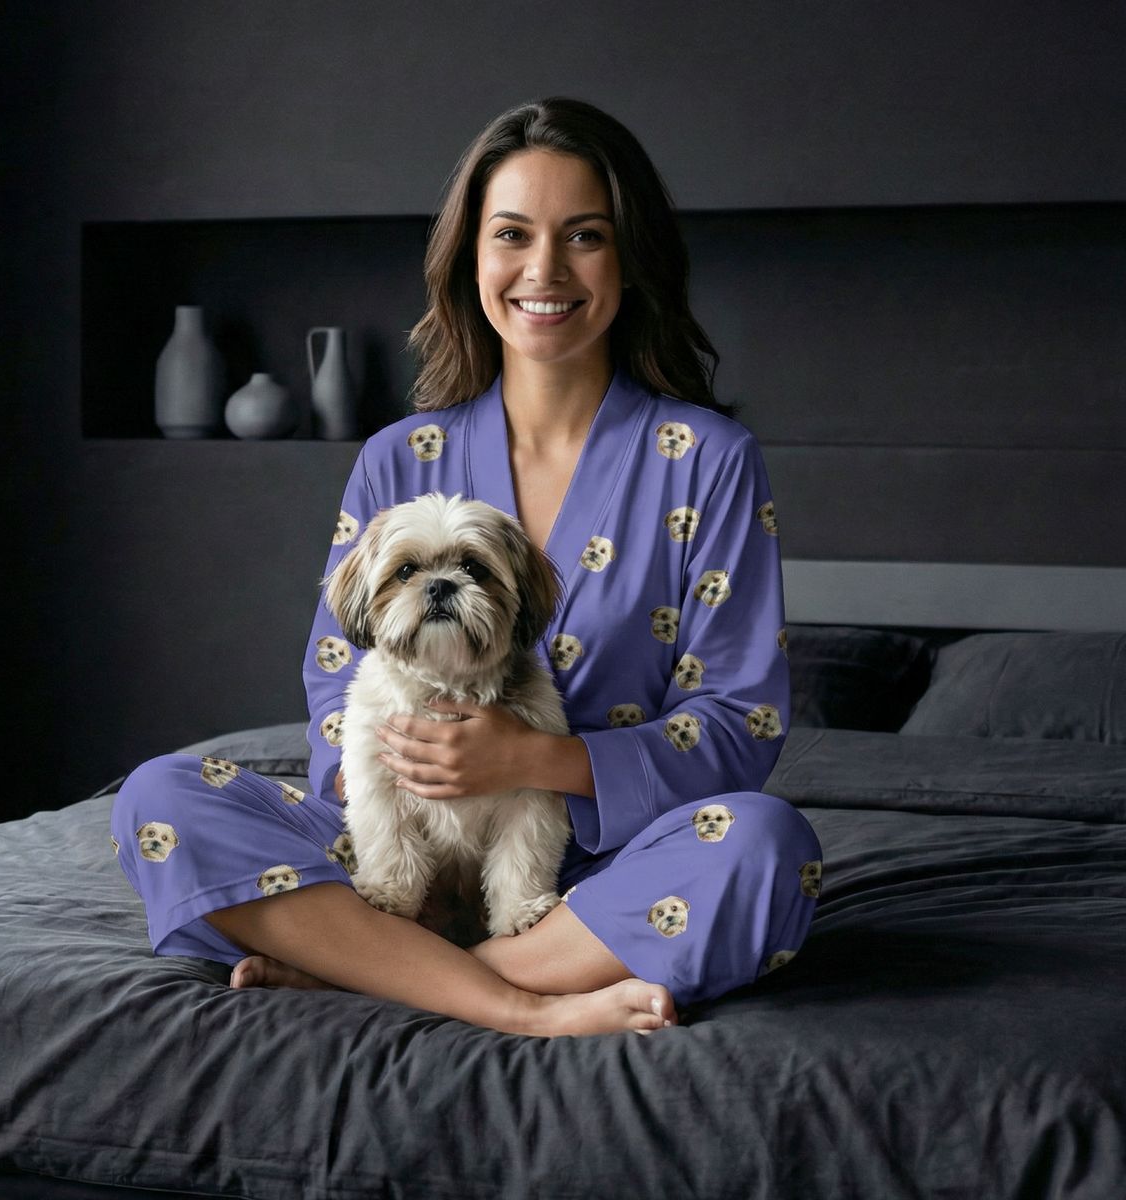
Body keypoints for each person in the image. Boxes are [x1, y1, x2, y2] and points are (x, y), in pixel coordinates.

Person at [113, 97, 822, 1037]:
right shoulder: (397, 457)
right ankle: (519, 1000)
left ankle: (386, 971)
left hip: (600, 870)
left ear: (631, 258)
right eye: (512, 235)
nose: (545, 270)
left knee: (768, 850)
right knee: (157, 800)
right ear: (469, 258)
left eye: (586, 236)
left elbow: (742, 720)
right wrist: (400, 794)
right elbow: (337, 676)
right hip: (396, 852)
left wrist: (540, 760)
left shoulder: (710, 458)